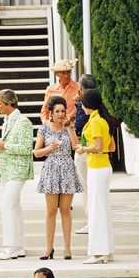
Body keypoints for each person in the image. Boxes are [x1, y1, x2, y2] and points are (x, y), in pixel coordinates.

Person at [34, 96, 82, 260]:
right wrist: (50, 147)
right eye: (58, 111)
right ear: (51, 113)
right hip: (51, 169)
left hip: (67, 169)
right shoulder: (44, 129)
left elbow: (76, 146)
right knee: (51, 211)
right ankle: (49, 249)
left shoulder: (69, 126)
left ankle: (67, 249)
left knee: (65, 210)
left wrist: (69, 128)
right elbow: (36, 152)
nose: (61, 114)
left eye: (63, 111)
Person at [0, 89, 33, 260]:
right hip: (7, 171)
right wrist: (0, 147)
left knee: (6, 206)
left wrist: (3, 145)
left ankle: (9, 248)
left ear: (9, 104)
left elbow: (26, 149)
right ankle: (19, 247)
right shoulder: (6, 120)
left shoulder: (24, 122)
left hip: (18, 171)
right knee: (14, 208)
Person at [76, 88, 115, 264]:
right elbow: (111, 147)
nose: (81, 106)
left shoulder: (96, 122)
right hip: (101, 167)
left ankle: (99, 253)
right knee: (101, 209)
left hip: (98, 169)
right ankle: (106, 251)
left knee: (96, 210)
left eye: (82, 103)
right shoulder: (100, 120)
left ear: (87, 104)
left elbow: (99, 146)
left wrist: (84, 149)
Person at [74, 74, 98, 234]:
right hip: (99, 156)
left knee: (87, 189)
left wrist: (77, 104)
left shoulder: (86, 105)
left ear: (81, 89)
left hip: (86, 151)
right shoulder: (100, 102)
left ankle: (92, 222)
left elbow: (80, 124)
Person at [40, 58, 80, 124]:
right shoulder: (50, 90)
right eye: (63, 73)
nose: (66, 75)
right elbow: (45, 110)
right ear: (57, 74)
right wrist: (46, 125)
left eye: (68, 72)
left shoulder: (78, 87)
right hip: (56, 128)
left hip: (74, 128)